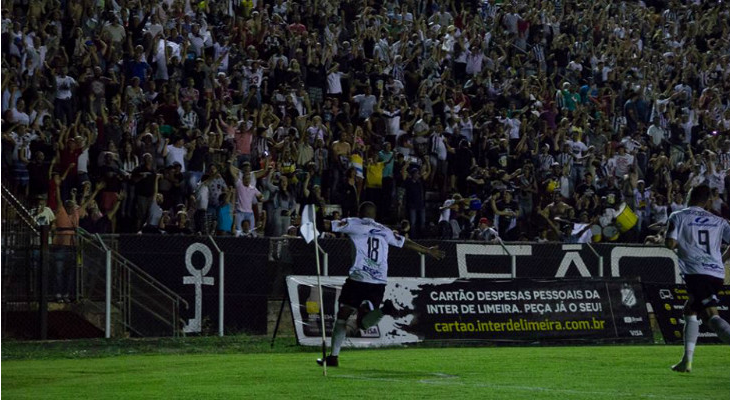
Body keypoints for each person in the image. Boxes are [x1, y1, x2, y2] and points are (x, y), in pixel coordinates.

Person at [317, 201, 445, 367]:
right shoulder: (385, 230)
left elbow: (326, 225)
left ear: (359, 212)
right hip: (378, 282)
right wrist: (428, 250)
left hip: (358, 278)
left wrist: (316, 214)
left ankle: (333, 357)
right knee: (363, 323)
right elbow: (405, 242)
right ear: (374, 216)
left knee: (343, 316)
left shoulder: (354, 223)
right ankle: (384, 309)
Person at [665, 185, 730, 373]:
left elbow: (670, 243)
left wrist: (678, 243)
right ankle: (686, 360)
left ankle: (687, 361)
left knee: (711, 316)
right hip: (717, 274)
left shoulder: (678, 216)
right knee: (690, 310)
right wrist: (721, 259)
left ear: (689, 196)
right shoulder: (719, 221)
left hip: (696, 273)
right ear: (708, 200)